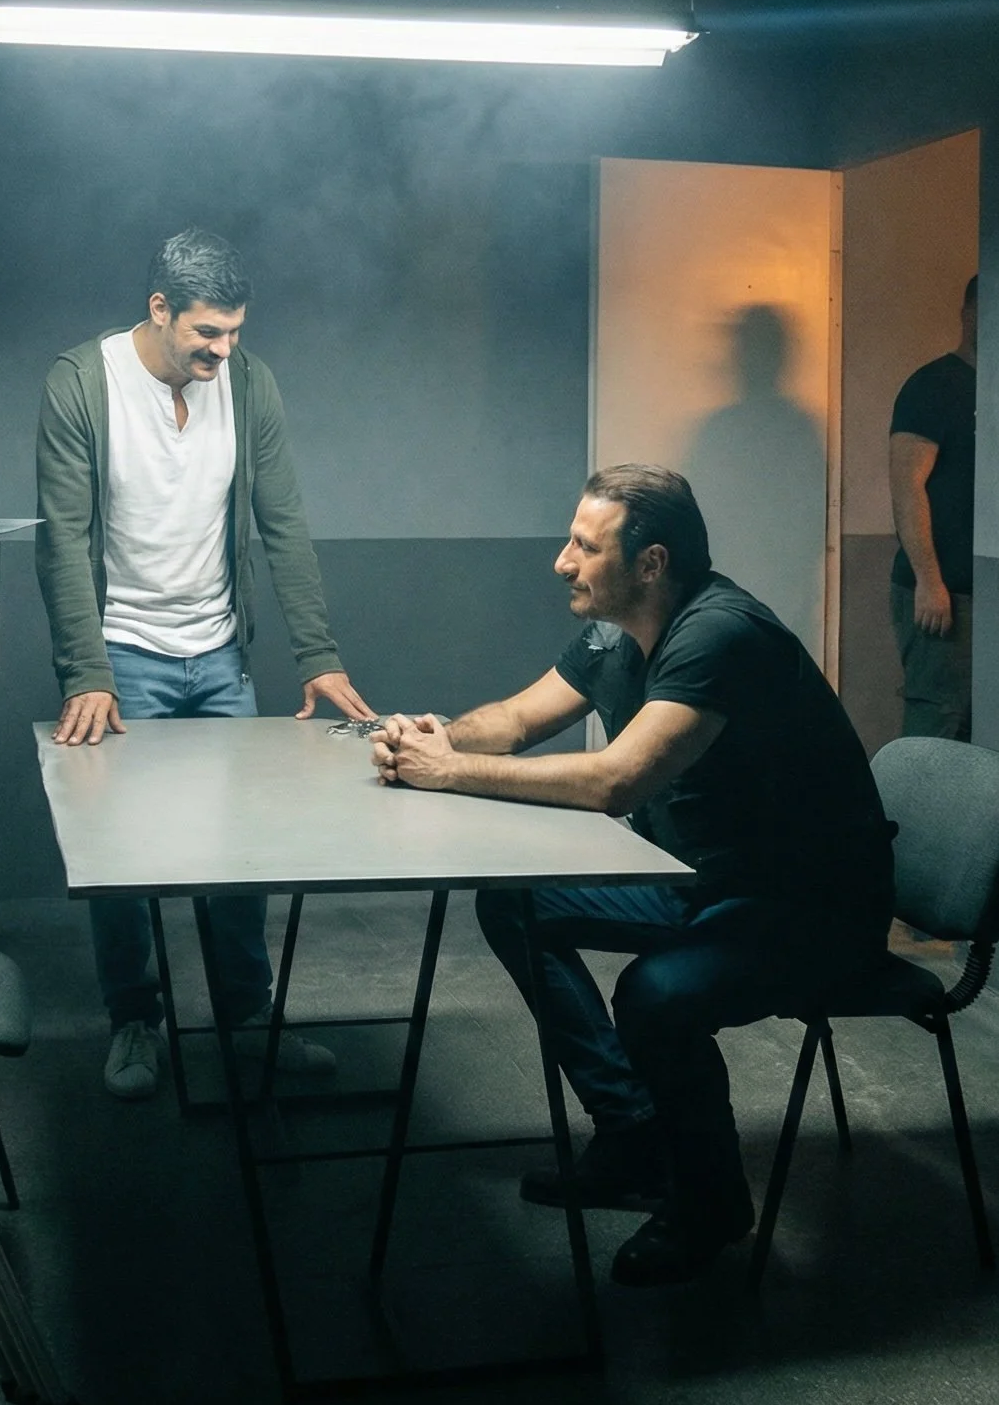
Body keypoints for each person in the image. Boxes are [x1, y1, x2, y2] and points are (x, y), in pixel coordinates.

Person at [369, 465, 893, 1287]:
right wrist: (430, 738)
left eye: (584, 546)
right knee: (515, 905)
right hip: (702, 882)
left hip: (807, 908)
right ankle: (632, 1135)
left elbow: (615, 782)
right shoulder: (613, 633)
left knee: (655, 994)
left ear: (650, 563)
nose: (561, 561)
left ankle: (709, 1206)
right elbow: (514, 720)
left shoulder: (719, 633)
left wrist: (447, 772)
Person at [36, 227, 373, 1099]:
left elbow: (283, 522)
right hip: (123, 652)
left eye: (234, 332)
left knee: (242, 850)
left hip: (219, 653)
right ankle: (133, 1020)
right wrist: (85, 672)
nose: (223, 351)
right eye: (206, 333)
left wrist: (317, 655)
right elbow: (63, 539)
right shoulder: (82, 381)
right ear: (160, 309)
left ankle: (247, 1020)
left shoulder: (248, 383)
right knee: (121, 857)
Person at [889, 275, 978, 740]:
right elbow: (907, 486)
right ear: (967, 313)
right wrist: (929, 582)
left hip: (980, 592)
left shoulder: (990, 390)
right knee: (938, 721)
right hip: (945, 594)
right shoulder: (934, 385)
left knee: (977, 730)